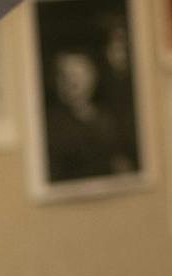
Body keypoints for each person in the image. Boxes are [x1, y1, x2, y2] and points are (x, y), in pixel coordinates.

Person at [42, 46, 131, 182]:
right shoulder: (51, 124)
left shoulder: (108, 116)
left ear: (93, 77)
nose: (72, 83)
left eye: (78, 75)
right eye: (64, 76)